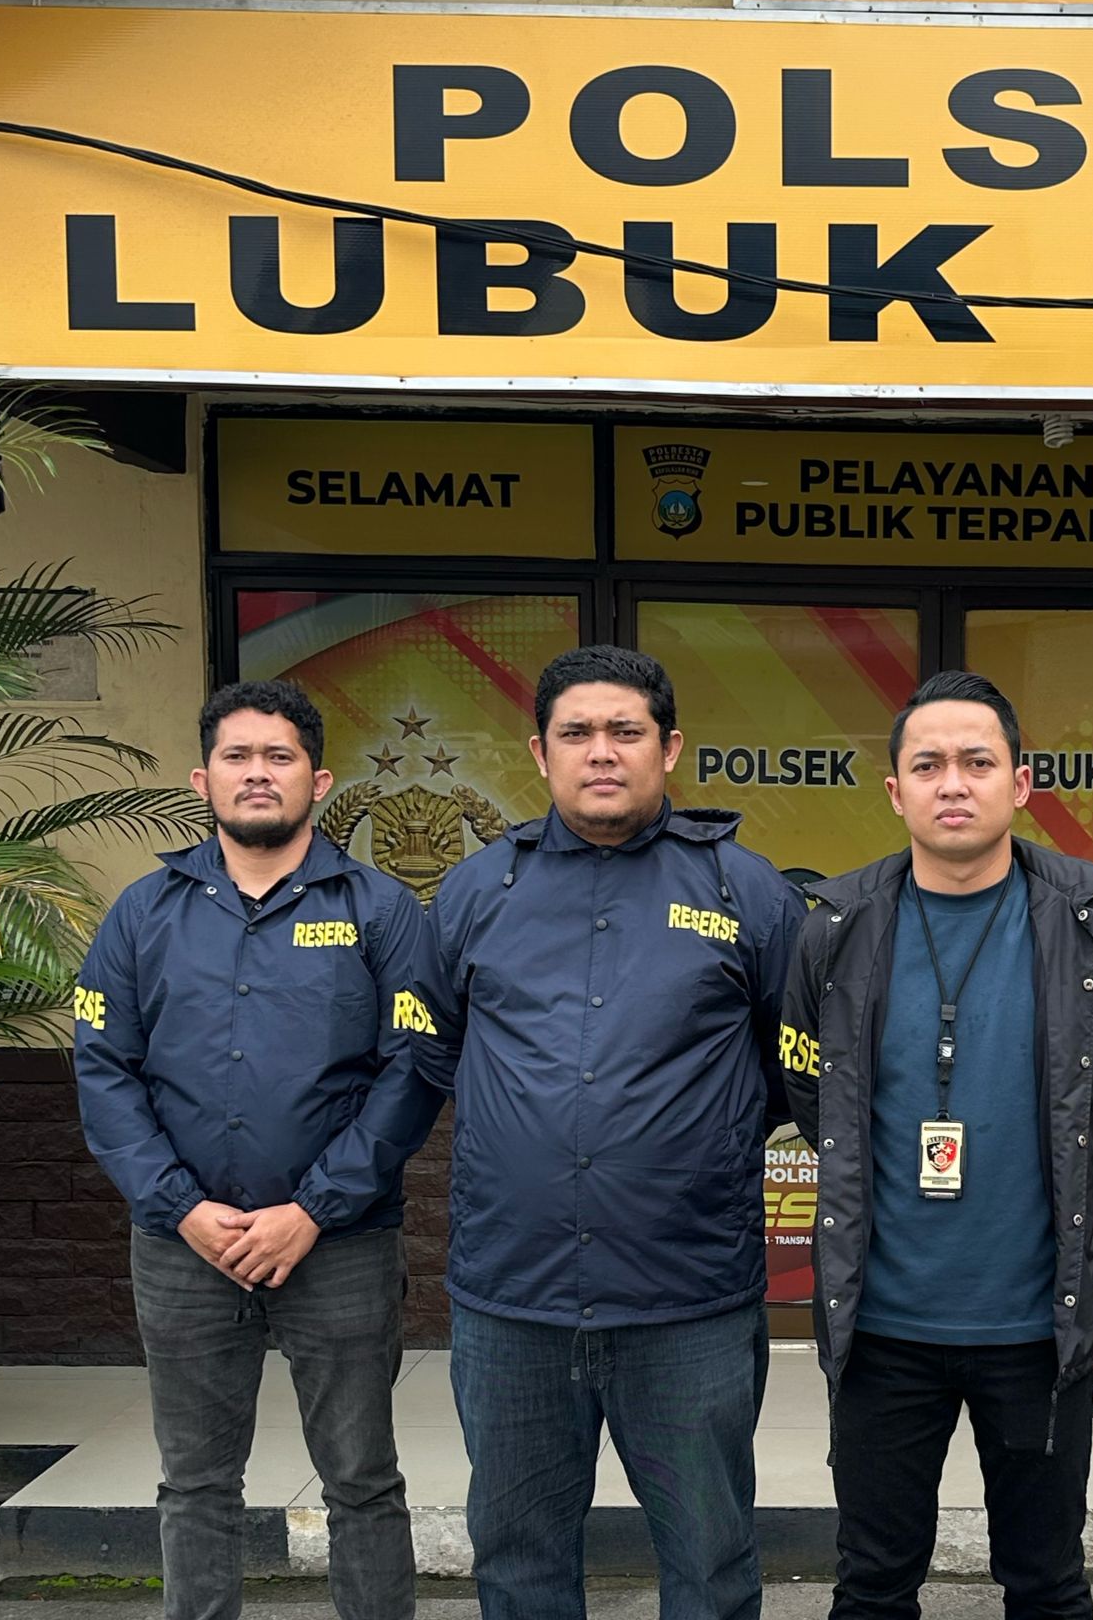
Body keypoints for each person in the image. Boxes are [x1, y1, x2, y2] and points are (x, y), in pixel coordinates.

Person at [402, 645, 800, 1620]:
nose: (602, 751)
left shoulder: (746, 892)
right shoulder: (476, 891)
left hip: (688, 1298)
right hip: (514, 1299)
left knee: (711, 1563)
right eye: (576, 732)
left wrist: (693, 1136)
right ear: (540, 753)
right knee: (518, 1561)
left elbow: (794, 1062)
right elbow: (430, 1049)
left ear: (670, 747)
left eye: (626, 730)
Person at [778, 670, 1093, 1620]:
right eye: (929, 765)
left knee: (1046, 1583)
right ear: (895, 791)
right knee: (873, 1584)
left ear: (1020, 783)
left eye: (978, 762)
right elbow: (810, 1091)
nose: (953, 783)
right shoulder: (835, 929)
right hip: (881, 1327)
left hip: (1038, 1328)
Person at [73, 679, 436, 1620]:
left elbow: (413, 1072)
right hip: (183, 1250)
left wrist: (314, 1209)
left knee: (362, 1480)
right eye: (237, 756)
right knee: (195, 1483)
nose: (258, 774)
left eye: (280, 756)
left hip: (340, 1246)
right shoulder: (142, 913)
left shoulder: (382, 910)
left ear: (319, 780)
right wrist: (181, 1208)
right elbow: (104, 1073)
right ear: (204, 779)